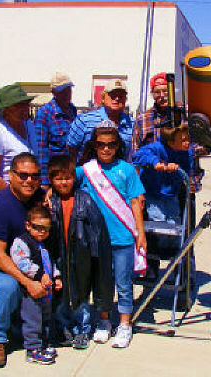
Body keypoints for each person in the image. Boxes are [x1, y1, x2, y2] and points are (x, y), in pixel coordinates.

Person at [76, 120, 146, 348]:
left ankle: (125, 324)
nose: (106, 148)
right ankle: (104, 320)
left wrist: (141, 233)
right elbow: (63, 180)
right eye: (101, 144)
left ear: (118, 145)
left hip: (123, 237)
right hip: (96, 238)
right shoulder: (86, 170)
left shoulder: (127, 170)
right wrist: (47, 192)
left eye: (111, 144)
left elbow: (136, 202)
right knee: (101, 283)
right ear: (94, 145)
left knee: (124, 283)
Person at [0, 153, 46, 368]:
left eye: (35, 176)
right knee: (8, 287)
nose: (29, 181)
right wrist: (28, 282)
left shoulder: (38, 197)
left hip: (26, 264)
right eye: (23, 175)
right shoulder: (0, 206)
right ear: (10, 175)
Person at [48, 155, 114, 350]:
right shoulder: (50, 202)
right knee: (61, 297)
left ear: (74, 178)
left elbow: (97, 230)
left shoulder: (84, 199)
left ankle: (83, 329)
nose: (63, 182)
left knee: (81, 296)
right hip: (59, 257)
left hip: (81, 258)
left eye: (67, 177)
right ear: (51, 180)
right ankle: (64, 328)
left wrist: (95, 259)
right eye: (58, 178)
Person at [132, 123, 195, 279]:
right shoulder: (157, 147)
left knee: (174, 224)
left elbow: (187, 169)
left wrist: (181, 175)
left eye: (188, 139)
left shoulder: (187, 153)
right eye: (183, 140)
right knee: (158, 222)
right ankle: (156, 255)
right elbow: (138, 155)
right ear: (170, 141)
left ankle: (174, 258)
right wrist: (157, 163)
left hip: (171, 194)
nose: (187, 143)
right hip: (154, 193)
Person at [10, 205, 62, 365]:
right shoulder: (22, 242)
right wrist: (39, 274)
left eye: (46, 228)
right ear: (28, 225)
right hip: (31, 292)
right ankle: (32, 349)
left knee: (46, 318)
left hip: (46, 291)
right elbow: (21, 262)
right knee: (33, 319)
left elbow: (50, 262)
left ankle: (44, 343)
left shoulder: (44, 244)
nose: (42, 232)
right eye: (37, 227)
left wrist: (56, 276)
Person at [0, 83, 38, 202]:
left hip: (26, 198)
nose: (24, 109)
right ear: (6, 109)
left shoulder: (30, 127)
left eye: (25, 104)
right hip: (2, 199)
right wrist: (14, 199)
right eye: (18, 106)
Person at [66, 79, 133, 164]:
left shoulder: (133, 124)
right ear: (103, 98)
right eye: (112, 95)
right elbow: (71, 148)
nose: (117, 98)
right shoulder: (84, 120)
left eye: (121, 96)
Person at [34, 73, 77, 190]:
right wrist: (44, 182)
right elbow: (41, 149)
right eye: (62, 91)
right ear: (53, 92)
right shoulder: (44, 113)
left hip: (70, 174)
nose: (66, 94)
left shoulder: (73, 111)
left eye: (68, 90)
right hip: (54, 177)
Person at [132, 72, 169, 152]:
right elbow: (135, 151)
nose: (162, 95)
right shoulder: (142, 119)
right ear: (152, 94)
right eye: (157, 92)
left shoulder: (184, 113)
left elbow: (199, 144)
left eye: (165, 91)